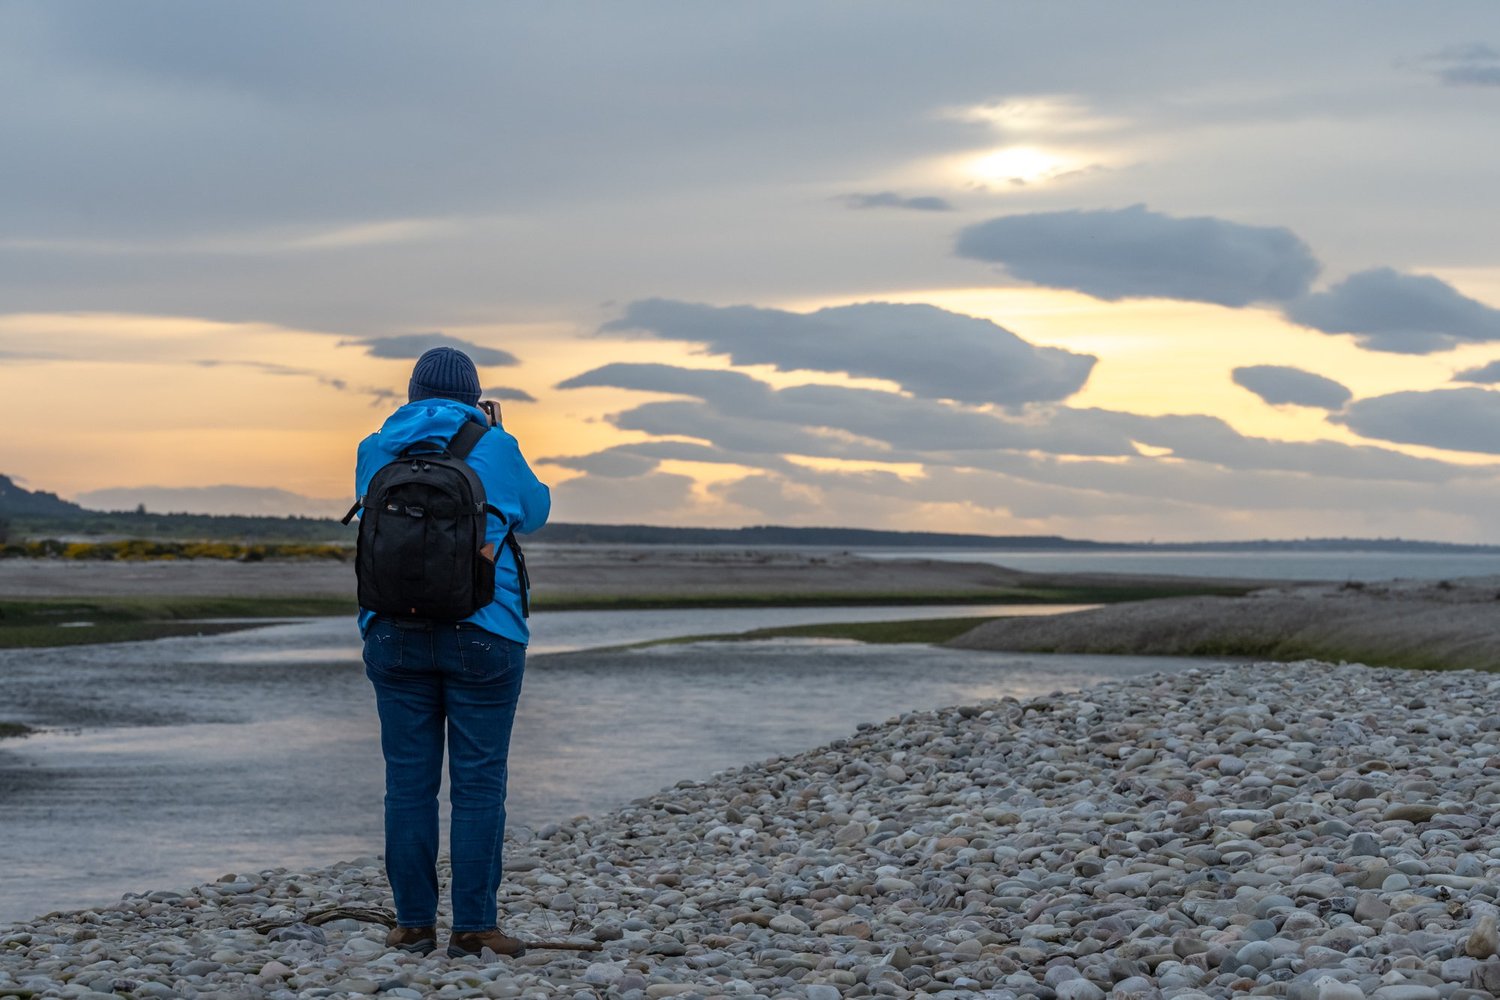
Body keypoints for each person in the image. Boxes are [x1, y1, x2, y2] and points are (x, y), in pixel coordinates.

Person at [353, 346, 550, 959]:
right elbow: (536, 512)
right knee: (479, 784)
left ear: (412, 393)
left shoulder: (374, 446)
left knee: (407, 785)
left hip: (391, 630)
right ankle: (474, 928)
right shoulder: (496, 444)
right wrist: (501, 436)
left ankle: (412, 924)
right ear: (474, 396)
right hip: (487, 630)